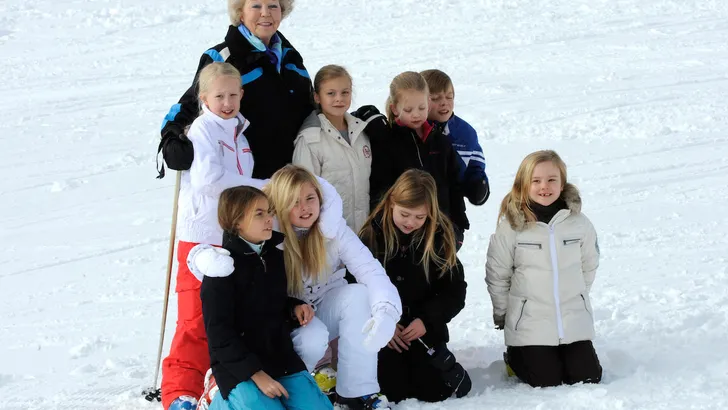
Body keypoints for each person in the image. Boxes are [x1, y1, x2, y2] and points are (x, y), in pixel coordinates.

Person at [163, 62, 262, 410]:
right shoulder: (203, 129)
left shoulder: (241, 133)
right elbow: (208, 181)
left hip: (231, 237)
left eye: (233, 94)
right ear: (204, 97)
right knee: (195, 319)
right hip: (201, 237)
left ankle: (212, 388)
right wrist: (263, 186)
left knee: (223, 318)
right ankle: (179, 394)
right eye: (219, 95)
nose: (227, 101)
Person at [265, 165, 402, 410]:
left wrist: (385, 311)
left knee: (358, 294)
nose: (305, 208)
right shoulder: (268, 236)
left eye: (310, 198)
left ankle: (357, 393)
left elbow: (370, 270)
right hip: (288, 319)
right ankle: (297, 393)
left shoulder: (333, 229)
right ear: (280, 204)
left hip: (325, 305)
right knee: (312, 339)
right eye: (294, 202)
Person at [193, 186, 333, 410]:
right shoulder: (220, 269)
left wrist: (293, 308)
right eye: (259, 214)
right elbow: (219, 335)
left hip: (279, 358)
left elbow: (269, 303)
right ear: (236, 221)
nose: (269, 219)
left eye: (269, 212)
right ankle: (216, 399)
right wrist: (255, 374)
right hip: (238, 368)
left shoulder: (273, 256)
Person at [485, 150, 602, 388]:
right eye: (536, 181)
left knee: (588, 378)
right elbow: (498, 275)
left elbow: (589, 265)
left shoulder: (579, 223)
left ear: (562, 183)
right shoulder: (512, 227)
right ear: (523, 184)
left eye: (551, 180)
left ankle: (567, 353)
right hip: (529, 324)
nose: (544, 187)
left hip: (572, 320)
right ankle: (515, 357)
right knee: (545, 380)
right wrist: (505, 315)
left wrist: (576, 295)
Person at [158, 0, 313, 179]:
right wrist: (172, 140)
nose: (266, 13)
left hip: (292, 186)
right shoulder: (223, 58)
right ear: (240, 13)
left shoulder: (291, 59)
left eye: (273, 6)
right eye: (256, 6)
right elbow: (189, 106)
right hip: (245, 188)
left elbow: (312, 108)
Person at [359, 169, 471, 403]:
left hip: (423, 330)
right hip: (384, 332)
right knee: (390, 390)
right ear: (391, 203)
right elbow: (355, 286)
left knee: (434, 391)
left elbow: (455, 291)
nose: (411, 222)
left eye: (420, 217)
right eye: (405, 214)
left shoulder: (440, 239)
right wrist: (382, 323)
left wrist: (427, 320)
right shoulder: (371, 236)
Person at [364, 72, 468, 248]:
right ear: (395, 108)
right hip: (400, 235)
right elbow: (379, 189)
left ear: (428, 102)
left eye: (421, 107)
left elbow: (454, 186)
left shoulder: (441, 142)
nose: (416, 115)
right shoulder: (387, 141)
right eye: (408, 110)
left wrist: (458, 227)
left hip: (439, 235)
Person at [293, 65, 376, 233]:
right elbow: (301, 192)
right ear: (317, 97)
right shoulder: (310, 140)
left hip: (363, 234)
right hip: (329, 237)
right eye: (331, 93)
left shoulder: (362, 133)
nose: (339, 99)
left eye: (345, 92)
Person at [420, 69, 490, 206]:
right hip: (415, 210)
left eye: (449, 97)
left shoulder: (465, 133)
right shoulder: (413, 129)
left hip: (451, 210)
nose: (444, 103)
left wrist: (477, 184)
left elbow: (475, 166)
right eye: (435, 98)